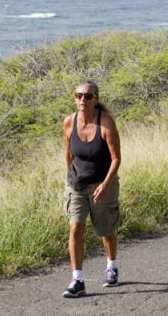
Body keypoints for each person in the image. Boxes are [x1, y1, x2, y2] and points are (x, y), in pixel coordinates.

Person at [62, 80, 122, 298]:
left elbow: (116, 159)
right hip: (77, 184)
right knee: (76, 227)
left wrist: (106, 185)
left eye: (87, 96)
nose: (82, 100)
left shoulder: (106, 123)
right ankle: (77, 280)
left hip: (102, 184)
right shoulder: (69, 122)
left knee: (105, 230)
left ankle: (111, 266)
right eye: (78, 95)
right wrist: (71, 177)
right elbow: (69, 153)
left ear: (96, 99)